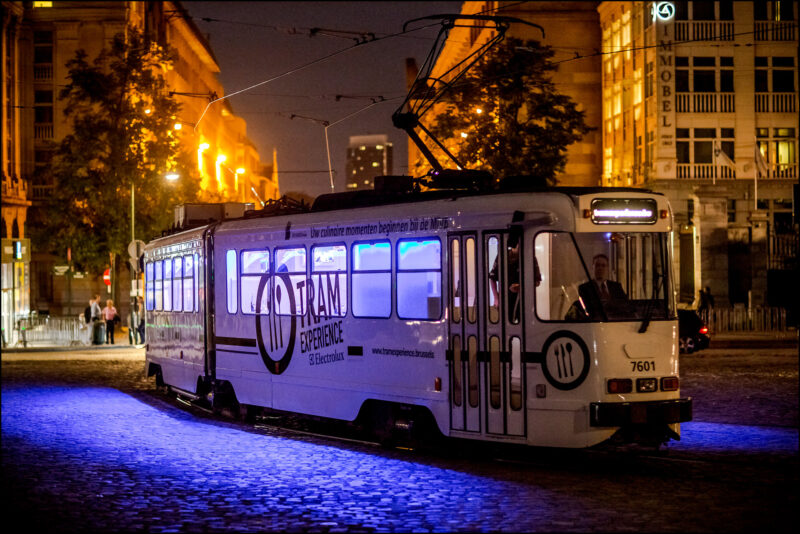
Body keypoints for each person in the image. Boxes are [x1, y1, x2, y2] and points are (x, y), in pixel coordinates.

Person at [577, 254, 628, 319]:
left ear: (607, 268)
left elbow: (625, 305)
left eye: (603, 266)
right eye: (597, 265)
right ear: (593, 267)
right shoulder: (584, 288)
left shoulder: (616, 287)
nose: (600, 268)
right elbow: (585, 309)